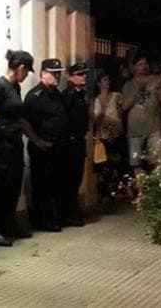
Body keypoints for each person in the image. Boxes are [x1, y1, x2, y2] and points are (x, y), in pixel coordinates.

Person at [0, 50, 50, 246]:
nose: (26, 75)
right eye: (26, 71)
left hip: (14, 145)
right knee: (0, 188)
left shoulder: (15, 88)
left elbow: (20, 119)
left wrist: (36, 140)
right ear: (20, 68)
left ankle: (7, 224)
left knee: (13, 187)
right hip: (0, 147)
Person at [24, 58, 69, 232]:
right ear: (43, 74)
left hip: (59, 147)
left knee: (57, 183)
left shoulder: (58, 95)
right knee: (42, 185)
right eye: (53, 73)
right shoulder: (34, 96)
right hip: (42, 148)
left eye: (58, 73)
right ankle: (43, 220)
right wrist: (37, 141)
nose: (57, 76)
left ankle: (56, 217)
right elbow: (25, 123)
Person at [121, 55, 161, 184]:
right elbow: (124, 106)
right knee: (136, 163)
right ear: (134, 68)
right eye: (140, 64)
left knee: (160, 161)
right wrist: (137, 90)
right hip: (135, 131)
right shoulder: (128, 84)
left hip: (155, 129)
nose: (144, 67)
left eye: (145, 64)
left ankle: (158, 189)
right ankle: (142, 190)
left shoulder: (158, 81)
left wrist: (159, 90)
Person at [61, 62, 90, 226]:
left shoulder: (80, 93)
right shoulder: (69, 94)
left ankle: (72, 210)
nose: (84, 77)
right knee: (70, 178)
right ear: (71, 77)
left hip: (78, 140)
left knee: (76, 177)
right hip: (71, 142)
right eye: (80, 74)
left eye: (84, 74)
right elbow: (66, 119)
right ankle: (69, 212)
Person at [93, 72, 126, 201]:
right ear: (99, 84)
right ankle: (104, 192)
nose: (108, 82)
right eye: (105, 80)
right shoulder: (96, 100)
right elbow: (96, 120)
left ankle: (118, 189)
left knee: (118, 163)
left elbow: (122, 111)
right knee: (105, 165)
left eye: (108, 80)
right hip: (104, 134)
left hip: (117, 132)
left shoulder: (117, 96)